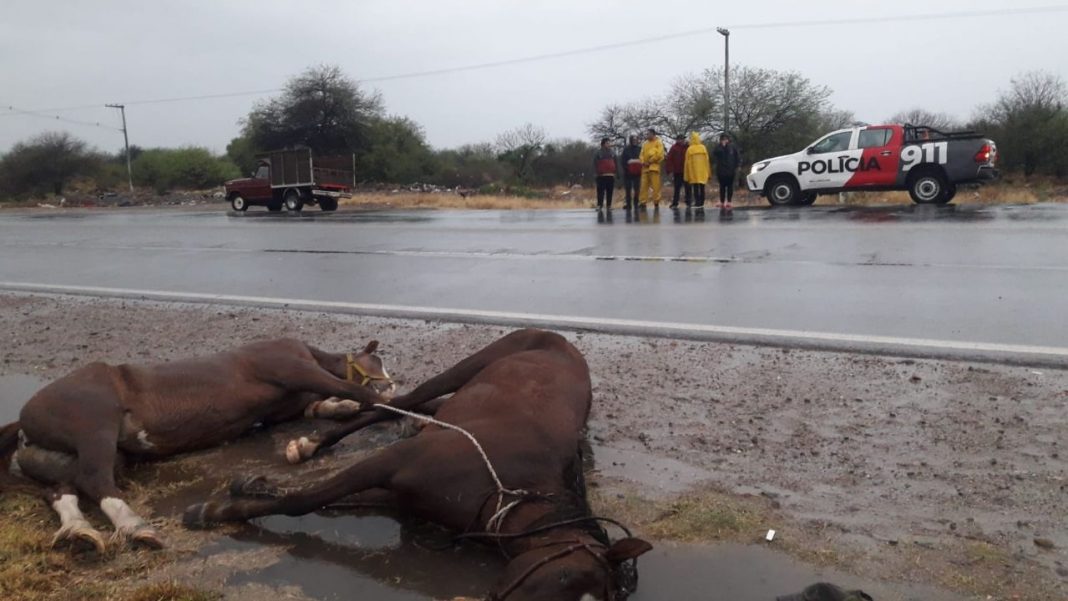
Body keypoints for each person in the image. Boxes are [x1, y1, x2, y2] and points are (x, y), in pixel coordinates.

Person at [712, 133, 742, 210]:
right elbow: (714, 154)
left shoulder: (733, 147)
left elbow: (737, 156)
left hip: (730, 170)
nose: (724, 140)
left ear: (728, 139)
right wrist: (722, 147)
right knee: (722, 187)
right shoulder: (718, 147)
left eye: (725, 139)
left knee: (730, 186)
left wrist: (738, 165)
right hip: (721, 171)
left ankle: (729, 201)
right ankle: (722, 202)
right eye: (723, 139)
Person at [639, 128, 665, 208]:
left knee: (655, 187)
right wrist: (643, 162)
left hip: (654, 168)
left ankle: (656, 202)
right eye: (647, 134)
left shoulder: (658, 143)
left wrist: (651, 161)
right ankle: (643, 202)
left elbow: (660, 154)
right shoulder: (645, 144)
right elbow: (641, 154)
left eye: (649, 134)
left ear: (653, 134)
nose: (647, 135)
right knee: (643, 187)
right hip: (645, 168)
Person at [683, 131, 710, 209]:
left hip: (693, 171)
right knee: (702, 187)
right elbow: (707, 161)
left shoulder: (689, 149)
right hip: (702, 171)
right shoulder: (703, 148)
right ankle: (702, 201)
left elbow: (686, 163)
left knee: (695, 187)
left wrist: (686, 175)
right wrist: (708, 172)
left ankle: (697, 201)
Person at [592, 137, 618, 210]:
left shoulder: (613, 152)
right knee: (600, 191)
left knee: (610, 191)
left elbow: (616, 163)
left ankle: (609, 205)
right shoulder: (598, 153)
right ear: (603, 144)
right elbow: (595, 163)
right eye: (607, 143)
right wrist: (596, 173)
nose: (609, 144)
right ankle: (599, 205)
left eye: (609, 143)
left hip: (610, 175)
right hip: (601, 176)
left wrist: (616, 173)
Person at [665, 134, 690, 209]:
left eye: (682, 139)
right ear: (677, 140)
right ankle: (675, 203)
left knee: (688, 187)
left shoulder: (688, 147)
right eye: (680, 139)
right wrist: (669, 170)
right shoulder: (674, 148)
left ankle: (688, 202)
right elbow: (669, 159)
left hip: (686, 171)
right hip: (677, 171)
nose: (681, 140)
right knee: (677, 188)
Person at [620, 135, 642, 210]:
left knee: (637, 189)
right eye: (633, 140)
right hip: (628, 173)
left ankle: (636, 202)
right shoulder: (626, 150)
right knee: (628, 189)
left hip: (637, 172)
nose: (635, 141)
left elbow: (642, 159)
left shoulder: (640, 149)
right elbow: (623, 161)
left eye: (636, 140)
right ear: (631, 140)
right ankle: (628, 204)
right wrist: (627, 169)